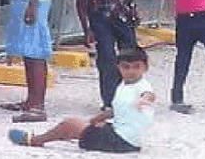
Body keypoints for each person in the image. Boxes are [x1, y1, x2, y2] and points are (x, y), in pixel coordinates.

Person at [8, 47, 155, 153]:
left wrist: (144, 100)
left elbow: (148, 94)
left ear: (145, 68)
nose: (131, 71)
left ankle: (35, 140)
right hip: (124, 136)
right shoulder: (125, 85)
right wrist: (94, 120)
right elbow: (116, 110)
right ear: (118, 67)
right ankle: (66, 135)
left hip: (122, 141)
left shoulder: (142, 86)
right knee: (81, 124)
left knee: (69, 124)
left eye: (136, 67)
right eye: (126, 67)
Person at [72, 0, 140, 110]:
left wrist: (133, 9)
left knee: (130, 55)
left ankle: (130, 95)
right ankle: (110, 101)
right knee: (107, 58)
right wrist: (87, 30)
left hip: (122, 14)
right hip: (100, 18)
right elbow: (81, 2)